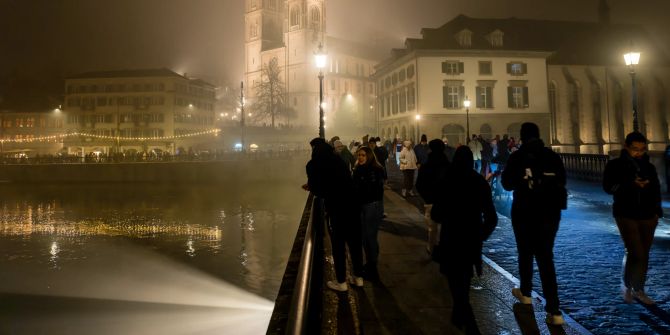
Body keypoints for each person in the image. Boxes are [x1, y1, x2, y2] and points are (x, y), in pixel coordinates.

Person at [501, 122, 567, 326]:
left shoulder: (517, 157)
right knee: (546, 258)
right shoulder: (553, 157)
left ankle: (526, 293)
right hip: (550, 213)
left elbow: (507, 183)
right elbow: (562, 181)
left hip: (525, 211)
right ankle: (554, 311)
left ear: (522, 137)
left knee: (525, 253)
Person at [432, 146, 497, 334]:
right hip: (470, 243)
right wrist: (480, 235)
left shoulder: (446, 180)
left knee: (456, 288)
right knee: (463, 286)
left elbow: (436, 213)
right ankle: (459, 316)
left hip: (451, 241)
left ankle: (470, 326)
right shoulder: (479, 182)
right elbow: (492, 218)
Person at [603, 132, 663, 305]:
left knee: (643, 254)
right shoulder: (615, 165)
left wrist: (657, 212)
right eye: (635, 149)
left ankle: (638, 289)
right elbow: (608, 187)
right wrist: (630, 183)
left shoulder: (648, 167)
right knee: (636, 251)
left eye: (642, 149)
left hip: (648, 214)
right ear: (626, 147)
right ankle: (629, 286)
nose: (639, 153)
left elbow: (656, 189)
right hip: (625, 213)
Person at [303, 138, 363, 292]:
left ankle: (341, 282)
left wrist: (311, 187)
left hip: (336, 208)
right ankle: (358, 278)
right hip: (353, 205)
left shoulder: (313, 165)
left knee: (338, 244)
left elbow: (318, 189)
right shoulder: (338, 161)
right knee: (355, 243)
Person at [353, 146, 385, 281]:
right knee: (365, 237)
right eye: (359, 155)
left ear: (369, 156)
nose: (360, 157)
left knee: (370, 237)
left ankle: (373, 267)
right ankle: (371, 263)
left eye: (363, 155)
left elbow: (374, 190)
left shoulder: (374, 170)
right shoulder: (359, 169)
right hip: (363, 206)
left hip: (371, 206)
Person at [416, 139, 451, 255]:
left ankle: (432, 248)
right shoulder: (448, 165)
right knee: (445, 227)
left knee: (432, 227)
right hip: (446, 201)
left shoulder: (427, 165)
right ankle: (444, 248)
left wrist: (427, 197)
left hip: (431, 201)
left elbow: (419, 185)